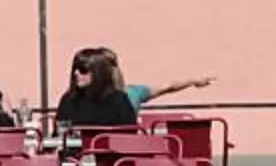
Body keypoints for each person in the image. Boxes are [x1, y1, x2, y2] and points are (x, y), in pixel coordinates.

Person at [52, 46, 213, 131]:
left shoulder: (127, 96)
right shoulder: (70, 100)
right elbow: (60, 131)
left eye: (83, 69)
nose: (76, 73)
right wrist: (194, 81)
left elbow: (168, 87)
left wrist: (194, 81)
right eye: (76, 68)